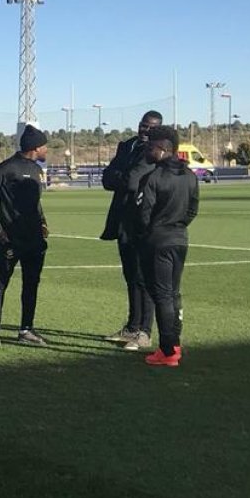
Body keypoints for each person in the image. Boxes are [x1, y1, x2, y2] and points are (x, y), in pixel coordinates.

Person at [0, 124, 50, 348]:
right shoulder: (7, 168)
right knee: (0, 283)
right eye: (45, 146)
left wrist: (43, 222)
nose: (47, 149)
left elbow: (34, 203)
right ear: (36, 147)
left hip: (34, 238)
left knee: (31, 284)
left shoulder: (38, 170)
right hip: (11, 238)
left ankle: (26, 329)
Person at [136, 126, 199, 367]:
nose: (148, 150)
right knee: (173, 293)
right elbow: (193, 209)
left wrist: (150, 233)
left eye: (151, 146)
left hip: (158, 241)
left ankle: (168, 349)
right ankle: (174, 345)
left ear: (162, 149)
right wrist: (179, 225)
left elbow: (144, 214)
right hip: (180, 239)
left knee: (162, 294)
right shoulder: (190, 176)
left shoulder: (153, 178)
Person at [99, 110, 162, 350]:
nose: (145, 130)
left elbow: (132, 181)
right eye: (143, 125)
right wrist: (120, 176)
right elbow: (108, 178)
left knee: (143, 277)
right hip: (122, 219)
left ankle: (144, 331)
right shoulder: (126, 146)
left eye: (151, 127)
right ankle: (132, 326)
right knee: (130, 276)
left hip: (142, 221)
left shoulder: (155, 152)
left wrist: (120, 177)